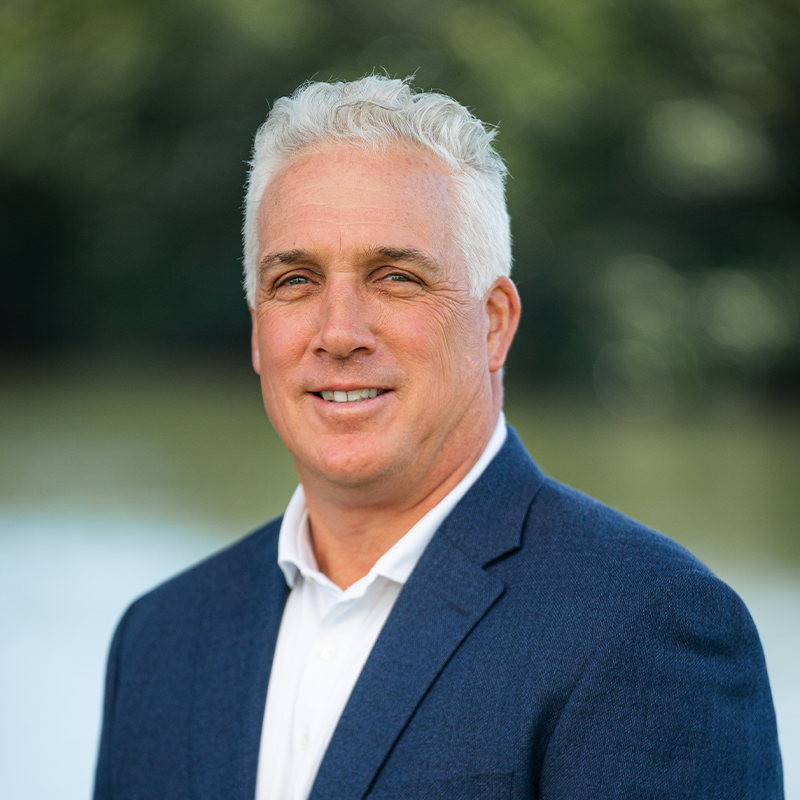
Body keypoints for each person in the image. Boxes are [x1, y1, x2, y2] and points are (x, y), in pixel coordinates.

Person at [93, 76, 783, 800]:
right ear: (258, 328)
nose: (338, 333)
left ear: (493, 322)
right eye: (295, 280)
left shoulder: (647, 629)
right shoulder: (160, 640)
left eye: (394, 277)